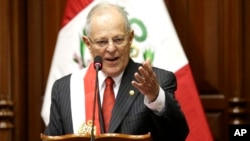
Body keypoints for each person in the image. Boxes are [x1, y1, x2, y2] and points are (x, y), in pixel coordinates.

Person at [44, 2, 189, 141]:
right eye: (102, 42)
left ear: (130, 38)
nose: (111, 48)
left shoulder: (158, 82)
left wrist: (155, 96)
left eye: (118, 40)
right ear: (88, 44)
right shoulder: (65, 89)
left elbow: (177, 136)